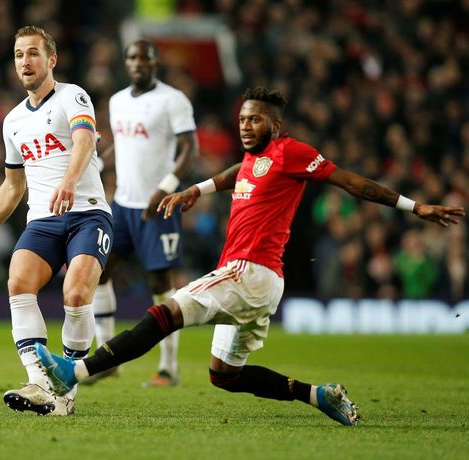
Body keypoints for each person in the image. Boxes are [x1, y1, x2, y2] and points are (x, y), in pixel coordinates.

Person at [34, 87, 465, 425]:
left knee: (162, 314)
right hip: (259, 283)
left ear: (275, 125)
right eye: (241, 118)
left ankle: (76, 372)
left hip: (248, 271)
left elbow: (352, 183)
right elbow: (233, 173)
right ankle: (320, 395)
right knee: (225, 375)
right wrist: (194, 190)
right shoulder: (251, 160)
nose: (245, 125)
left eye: (254, 119)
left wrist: (415, 207)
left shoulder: (291, 152)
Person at [0, 25, 112, 416]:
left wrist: (69, 182)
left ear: (51, 60)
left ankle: (66, 390)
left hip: (87, 212)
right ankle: (40, 382)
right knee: (18, 282)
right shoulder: (12, 122)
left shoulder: (72, 96)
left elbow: (84, 140)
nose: (26, 61)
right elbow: (11, 187)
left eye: (33, 53)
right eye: (19, 54)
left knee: (75, 294)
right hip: (42, 220)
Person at [88, 39, 199, 387]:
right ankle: (107, 359)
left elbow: (190, 149)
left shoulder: (173, 100)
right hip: (123, 204)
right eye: (132, 58)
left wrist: (166, 187)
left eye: (144, 58)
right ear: (126, 63)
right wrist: (89, 167)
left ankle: (169, 367)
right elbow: (119, 149)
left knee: (159, 285)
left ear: (155, 62)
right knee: (99, 273)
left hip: (159, 206)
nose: (137, 63)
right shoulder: (118, 101)